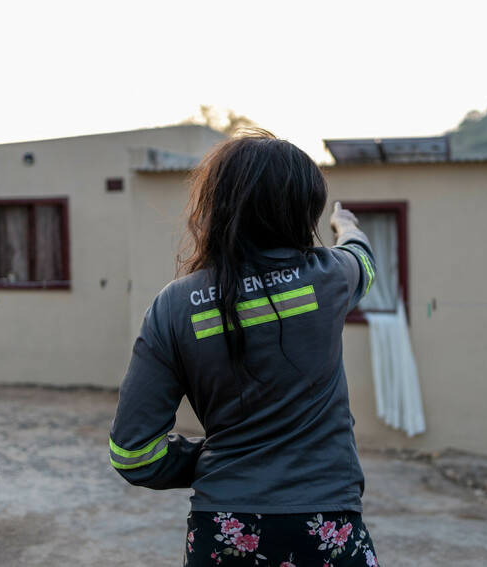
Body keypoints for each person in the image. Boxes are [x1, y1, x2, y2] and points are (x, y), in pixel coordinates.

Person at [109, 131, 380, 567]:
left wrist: (220, 458)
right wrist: (346, 227)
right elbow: (364, 261)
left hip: (223, 531)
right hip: (328, 525)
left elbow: (133, 454)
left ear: (214, 206)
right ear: (301, 210)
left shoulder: (174, 306)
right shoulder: (329, 278)